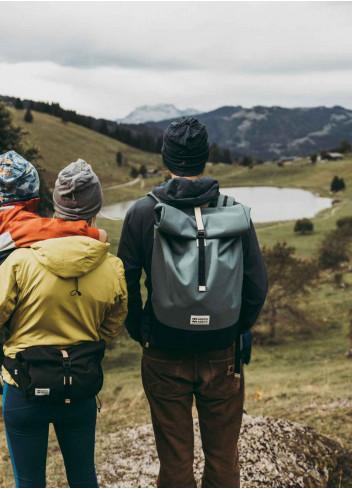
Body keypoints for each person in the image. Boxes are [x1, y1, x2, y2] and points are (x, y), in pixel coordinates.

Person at [118, 117, 268, 488]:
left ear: (166, 158)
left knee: (174, 461)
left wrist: (143, 332)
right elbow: (256, 287)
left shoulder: (141, 212)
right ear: (205, 159)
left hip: (163, 350)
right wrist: (233, 327)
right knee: (222, 460)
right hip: (222, 352)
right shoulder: (235, 212)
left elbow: (125, 285)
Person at [0, 158, 128, 488]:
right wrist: (83, 337)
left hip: (23, 387)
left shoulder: (19, 261)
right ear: (95, 209)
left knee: (29, 483)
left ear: (55, 206)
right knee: (84, 478)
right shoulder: (112, 267)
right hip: (79, 386)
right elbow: (111, 327)